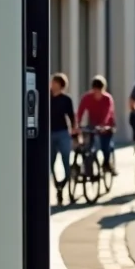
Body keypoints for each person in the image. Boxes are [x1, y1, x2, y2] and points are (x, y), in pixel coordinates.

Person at [76, 75, 117, 175]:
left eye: (99, 91)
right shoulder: (87, 97)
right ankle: (87, 170)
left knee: (105, 146)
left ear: (103, 89)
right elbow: (80, 111)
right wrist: (77, 124)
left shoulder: (107, 98)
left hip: (107, 126)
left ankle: (107, 164)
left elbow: (108, 113)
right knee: (88, 147)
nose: (97, 93)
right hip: (93, 125)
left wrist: (103, 125)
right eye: (95, 90)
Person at [50, 73, 78, 205]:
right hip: (49, 133)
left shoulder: (66, 100)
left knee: (66, 163)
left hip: (62, 133)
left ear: (60, 85)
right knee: (50, 164)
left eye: (54, 82)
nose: (52, 84)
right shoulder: (46, 97)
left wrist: (75, 133)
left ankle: (63, 184)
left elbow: (72, 117)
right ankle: (57, 187)